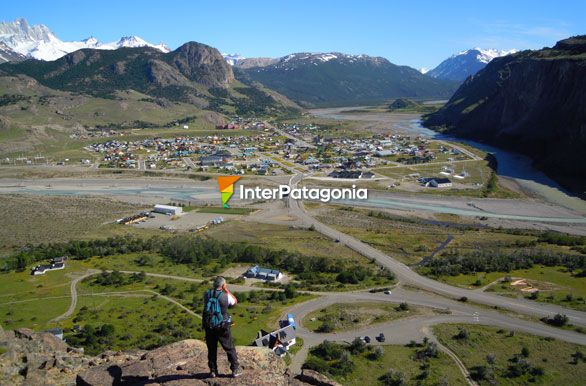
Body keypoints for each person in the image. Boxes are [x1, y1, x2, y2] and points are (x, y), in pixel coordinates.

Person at [202, 276, 242, 378]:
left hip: (209, 325)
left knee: (212, 349)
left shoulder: (206, 294)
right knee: (229, 347)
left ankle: (213, 371)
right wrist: (226, 290)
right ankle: (235, 369)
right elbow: (235, 302)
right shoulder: (225, 296)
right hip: (222, 326)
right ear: (223, 285)